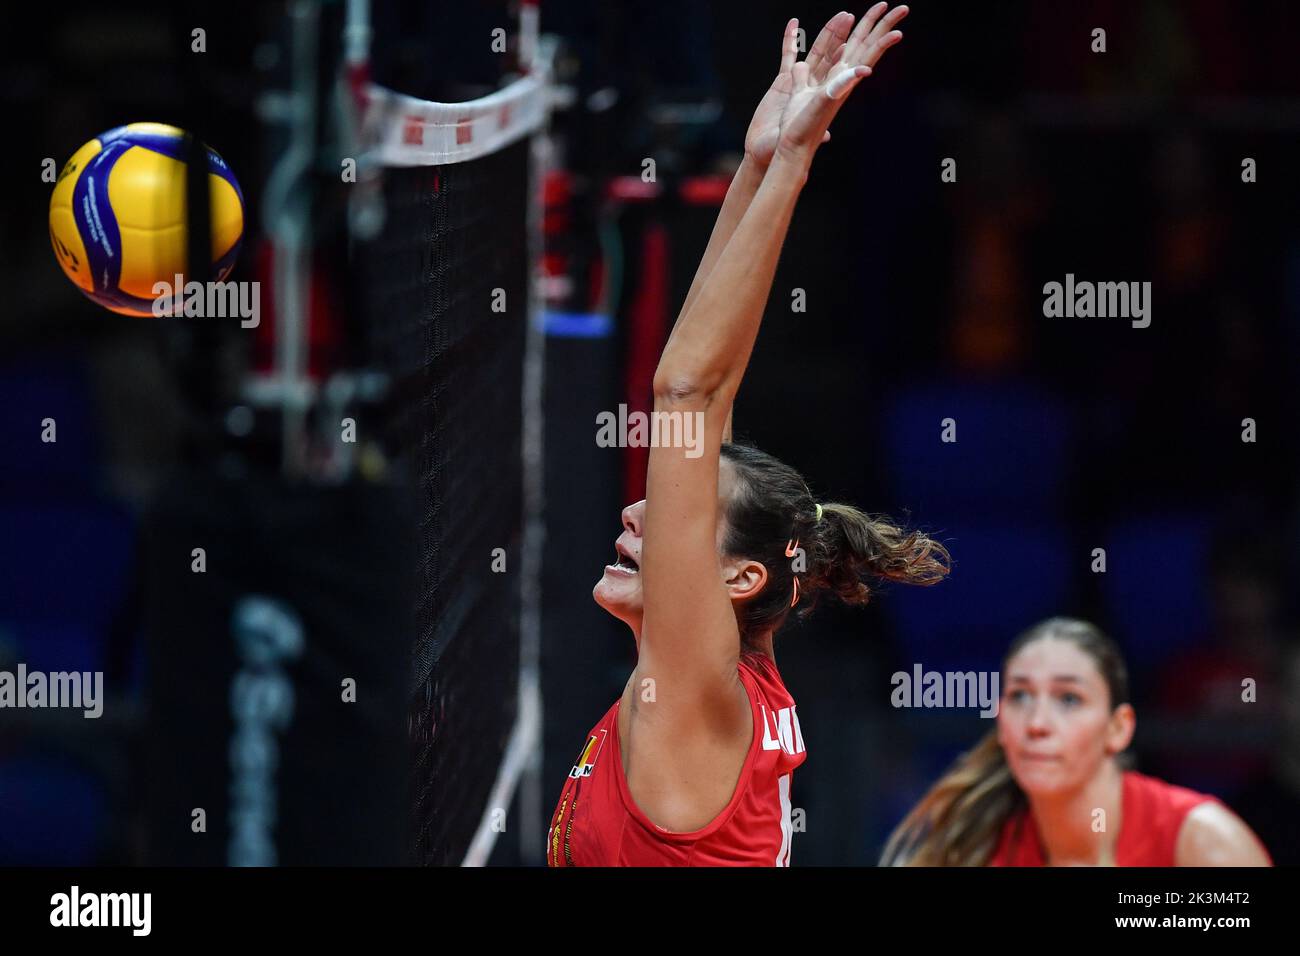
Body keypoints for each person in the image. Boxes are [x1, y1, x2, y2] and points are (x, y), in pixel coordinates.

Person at [546, 4, 948, 867]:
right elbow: (709, 397)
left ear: (739, 577)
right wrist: (759, 166)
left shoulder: (694, 687)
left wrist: (792, 164)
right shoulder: (722, 675)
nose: (638, 516)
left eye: (679, 514)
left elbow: (688, 393)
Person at [881, 617, 1272, 866]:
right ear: (1000, 722)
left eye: (1069, 699)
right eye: (1020, 696)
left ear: (1118, 728)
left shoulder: (1205, 845)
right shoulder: (968, 851)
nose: (1037, 723)